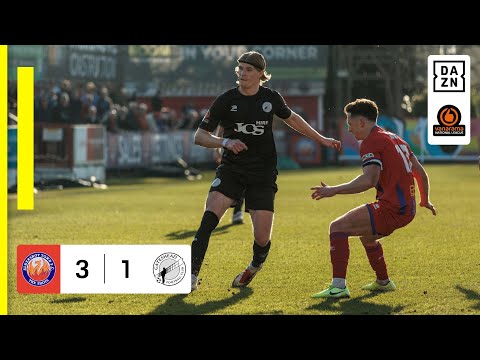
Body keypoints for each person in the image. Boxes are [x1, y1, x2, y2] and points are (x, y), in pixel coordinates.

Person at [190, 50, 341, 291]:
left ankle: (254, 267)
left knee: (262, 238)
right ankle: (191, 276)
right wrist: (225, 142)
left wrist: (320, 138)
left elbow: (293, 119)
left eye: (249, 69)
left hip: (262, 173)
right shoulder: (225, 100)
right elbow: (199, 136)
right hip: (231, 169)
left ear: (261, 74)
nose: (243, 73)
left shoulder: (271, 98)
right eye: (240, 68)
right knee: (209, 219)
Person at [310, 98, 436, 299]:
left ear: (362, 122)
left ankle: (339, 287)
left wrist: (334, 190)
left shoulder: (371, 141)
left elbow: (369, 180)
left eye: (350, 124)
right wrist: (424, 200)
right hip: (406, 209)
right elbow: (420, 172)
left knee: (337, 227)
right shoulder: (396, 139)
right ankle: (383, 282)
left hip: (392, 208)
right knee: (368, 238)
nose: (349, 130)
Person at [214, 125, 246, 225]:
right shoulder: (227, 112)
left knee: (243, 185)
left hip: (246, 156)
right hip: (229, 157)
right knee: (225, 184)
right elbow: (219, 134)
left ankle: (237, 212)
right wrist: (217, 150)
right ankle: (213, 212)